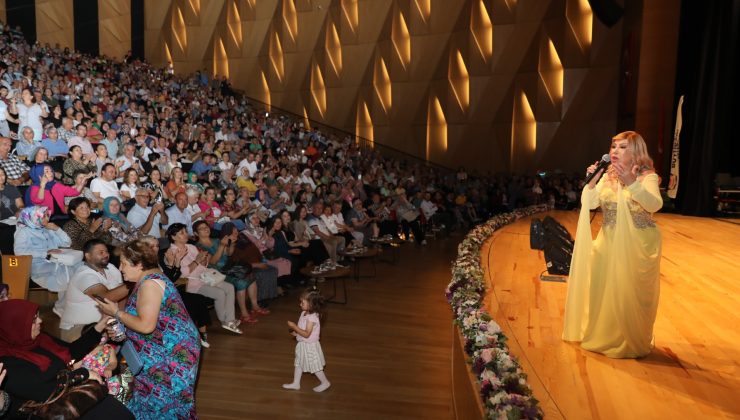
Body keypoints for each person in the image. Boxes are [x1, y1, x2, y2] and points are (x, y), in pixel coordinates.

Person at [563, 131, 663, 359]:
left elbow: (654, 205)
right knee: (603, 289)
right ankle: (603, 335)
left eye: (622, 147)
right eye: (613, 147)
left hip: (638, 244)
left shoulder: (646, 176)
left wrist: (630, 182)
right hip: (607, 241)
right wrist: (593, 183)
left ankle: (628, 340)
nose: (614, 151)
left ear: (636, 151)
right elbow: (590, 204)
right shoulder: (607, 175)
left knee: (628, 292)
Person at [96, 238, 200, 418]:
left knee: (167, 404)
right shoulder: (147, 280)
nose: (121, 269)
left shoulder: (150, 284)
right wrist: (120, 327)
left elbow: (145, 326)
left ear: (139, 264)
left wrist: (116, 313)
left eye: (124, 264)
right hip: (159, 351)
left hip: (170, 355)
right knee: (151, 402)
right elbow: (147, 320)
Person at [0, 299, 133, 419]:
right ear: (15, 325)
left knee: (123, 415)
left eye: (37, 316)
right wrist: (83, 373)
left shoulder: (38, 339)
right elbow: (43, 391)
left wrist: (100, 325)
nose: (40, 321)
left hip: (72, 391)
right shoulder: (7, 362)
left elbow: (70, 351)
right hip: (56, 408)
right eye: (33, 320)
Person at [166, 223, 243, 334]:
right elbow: (182, 274)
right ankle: (226, 321)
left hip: (204, 277)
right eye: (182, 233)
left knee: (229, 287)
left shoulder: (191, 247)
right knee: (220, 293)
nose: (186, 234)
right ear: (173, 237)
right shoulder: (172, 252)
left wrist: (204, 260)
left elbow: (204, 266)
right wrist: (197, 260)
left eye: (185, 232)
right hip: (192, 283)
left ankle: (230, 319)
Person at [193, 221, 263, 324]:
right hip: (215, 272)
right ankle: (244, 314)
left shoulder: (216, 240)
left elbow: (228, 253)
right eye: (202, 228)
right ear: (196, 233)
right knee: (241, 282)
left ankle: (254, 306)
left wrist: (232, 243)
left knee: (250, 275)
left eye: (206, 227)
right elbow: (212, 262)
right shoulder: (198, 246)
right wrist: (221, 246)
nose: (206, 229)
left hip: (228, 267)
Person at [59, 239, 128, 341]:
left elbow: (121, 296)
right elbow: (106, 297)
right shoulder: (83, 275)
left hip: (104, 325)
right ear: (88, 256)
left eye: (106, 251)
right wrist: (134, 283)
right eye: (101, 252)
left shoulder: (111, 268)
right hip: (78, 330)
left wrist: (121, 319)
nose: (106, 255)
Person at [14, 206, 77, 315]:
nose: (47, 219)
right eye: (43, 216)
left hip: (54, 262)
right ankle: (62, 307)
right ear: (34, 217)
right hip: (36, 265)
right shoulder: (24, 231)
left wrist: (57, 229)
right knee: (66, 272)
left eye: (48, 215)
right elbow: (19, 252)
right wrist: (45, 253)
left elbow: (67, 243)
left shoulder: (47, 229)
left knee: (77, 268)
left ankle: (65, 306)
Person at [282, 287, 331, 393]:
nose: (300, 304)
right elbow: (302, 330)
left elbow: (307, 334)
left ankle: (325, 382)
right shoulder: (304, 313)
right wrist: (295, 333)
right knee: (298, 363)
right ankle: (296, 383)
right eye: (300, 302)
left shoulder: (312, 318)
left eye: (302, 302)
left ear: (311, 304)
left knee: (315, 366)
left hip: (309, 346)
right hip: (302, 344)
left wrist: (294, 327)